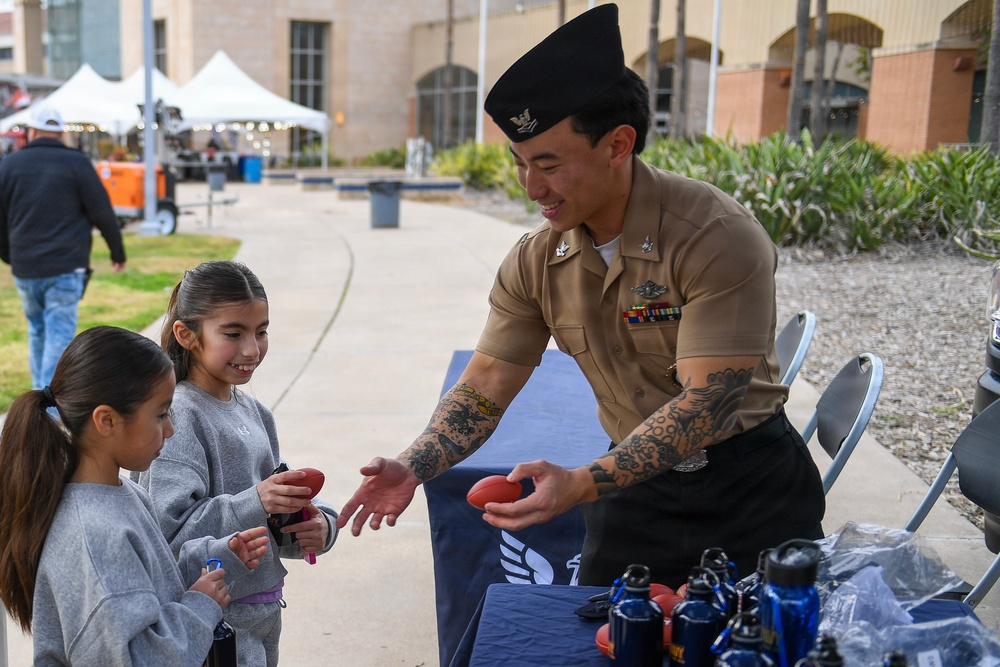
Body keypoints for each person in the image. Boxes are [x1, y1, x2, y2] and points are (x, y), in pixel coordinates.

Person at [336, 3, 825, 589]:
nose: (532, 188)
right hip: (634, 489)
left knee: (766, 632)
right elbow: (487, 382)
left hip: (752, 491)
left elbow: (708, 404)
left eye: (548, 164)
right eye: (520, 164)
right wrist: (414, 464)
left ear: (618, 145)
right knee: (595, 630)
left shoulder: (715, 236)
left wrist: (583, 482)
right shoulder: (536, 261)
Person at [0, 326, 270, 666]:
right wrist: (200, 606)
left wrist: (211, 559)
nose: (170, 429)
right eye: (160, 414)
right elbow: (136, 658)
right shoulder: (95, 534)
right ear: (107, 421)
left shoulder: (126, 492)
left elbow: (150, 586)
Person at [134, 260, 339, 667]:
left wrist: (318, 526)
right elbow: (167, 538)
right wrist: (256, 501)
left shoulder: (256, 412)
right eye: (233, 333)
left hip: (263, 608)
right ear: (187, 335)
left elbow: (276, 508)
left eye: (261, 331)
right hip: (210, 620)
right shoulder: (177, 416)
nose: (252, 349)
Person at [0, 105, 126, 390]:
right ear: (60, 133)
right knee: (58, 335)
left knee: (37, 331)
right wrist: (117, 252)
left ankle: (39, 397)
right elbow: (102, 211)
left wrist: (8, 255)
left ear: (32, 132)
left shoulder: (8, 165)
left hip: (25, 267)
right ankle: (47, 405)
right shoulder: (76, 163)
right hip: (66, 266)